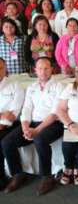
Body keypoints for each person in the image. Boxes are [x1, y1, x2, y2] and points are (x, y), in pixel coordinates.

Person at [1, 57, 61, 194]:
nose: (43, 72)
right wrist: (25, 128)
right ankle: (18, 174)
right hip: (32, 123)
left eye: (46, 68)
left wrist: (36, 130)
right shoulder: (32, 88)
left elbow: (54, 113)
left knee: (40, 139)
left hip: (53, 124)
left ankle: (47, 177)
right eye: (40, 68)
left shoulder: (59, 86)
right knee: (6, 142)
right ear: (35, 70)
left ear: (52, 69)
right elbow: (27, 109)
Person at [0, 58, 25, 190]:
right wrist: (1, 114)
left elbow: (12, 115)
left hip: (12, 125)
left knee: (4, 140)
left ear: (5, 69)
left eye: (0, 68)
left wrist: (3, 119)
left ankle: (17, 174)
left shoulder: (15, 86)